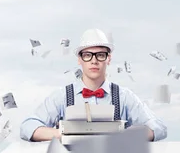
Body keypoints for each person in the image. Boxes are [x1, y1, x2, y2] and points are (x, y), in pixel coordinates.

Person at [19, 28, 167, 142]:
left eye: (100, 55)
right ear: (79, 59)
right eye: (88, 55)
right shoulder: (62, 96)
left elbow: (159, 127)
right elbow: (27, 126)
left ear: (108, 59)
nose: (94, 61)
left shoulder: (124, 97)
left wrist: (127, 134)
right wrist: (60, 134)